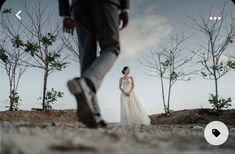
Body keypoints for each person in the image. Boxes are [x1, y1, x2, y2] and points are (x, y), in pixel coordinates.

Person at [58, 0, 129, 128]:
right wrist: (124, 7)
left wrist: (65, 14)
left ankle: (94, 114)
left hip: (78, 5)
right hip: (107, 3)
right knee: (112, 47)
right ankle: (87, 83)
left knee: (87, 56)